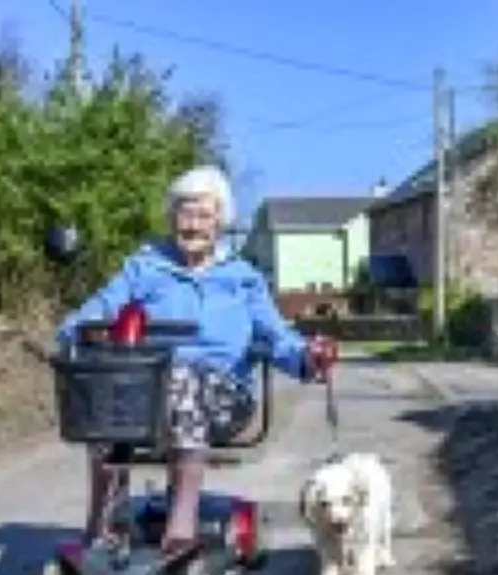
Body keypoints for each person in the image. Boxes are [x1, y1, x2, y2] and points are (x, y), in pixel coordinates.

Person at [57, 165, 329, 552]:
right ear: (171, 218)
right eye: (185, 213)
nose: (193, 225)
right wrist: (72, 332)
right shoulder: (145, 267)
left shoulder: (243, 278)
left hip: (223, 396)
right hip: (147, 393)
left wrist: (308, 357)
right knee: (107, 387)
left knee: (181, 374)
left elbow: (277, 336)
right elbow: (100, 308)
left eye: (204, 215)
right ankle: (104, 523)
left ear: (221, 221)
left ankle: (180, 528)